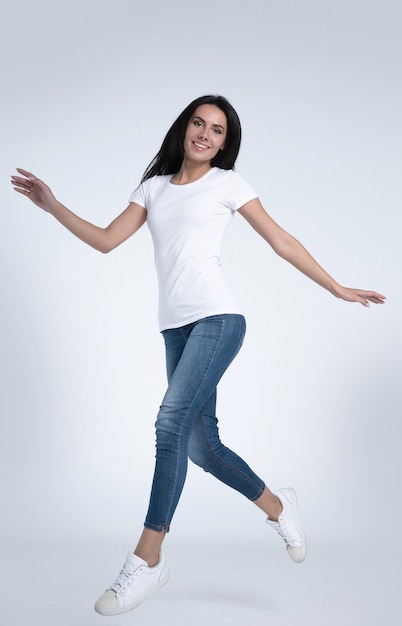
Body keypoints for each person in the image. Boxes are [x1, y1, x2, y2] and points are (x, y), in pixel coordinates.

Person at [11, 95, 385, 616]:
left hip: (219, 319)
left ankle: (148, 558)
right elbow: (105, 240)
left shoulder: (228, 185)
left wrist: (336, 288)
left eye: (217, 130)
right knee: (200, 447)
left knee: (168, 424)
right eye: (198, 123)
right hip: (176, 330)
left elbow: (281, 240)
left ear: (226, 143)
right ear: (184, 128)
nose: (205, 135)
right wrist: (51, 205)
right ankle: (278, 507)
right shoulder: (153, 189)